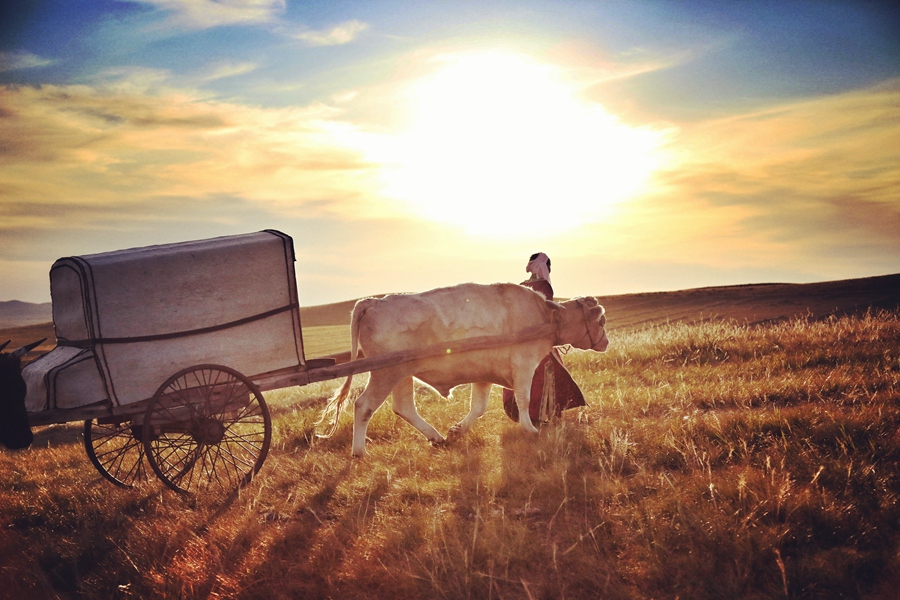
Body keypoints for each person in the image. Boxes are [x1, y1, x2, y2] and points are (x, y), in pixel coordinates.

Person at [502, 253, 587, 423]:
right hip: (539, 338)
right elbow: (546, 313)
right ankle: (539, 416)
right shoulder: (544, 286)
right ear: (544, 266)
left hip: (520, 340)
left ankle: (527, 414)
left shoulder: (521, 285)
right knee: (545, 374)